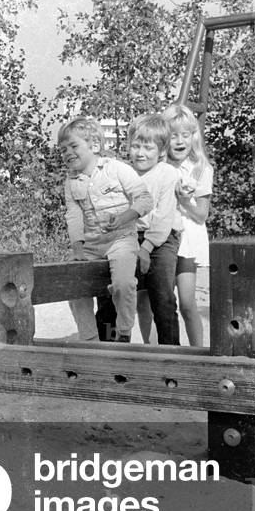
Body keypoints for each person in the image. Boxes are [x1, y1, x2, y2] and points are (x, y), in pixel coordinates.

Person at [59, 116, 153, 343]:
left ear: (95, 146)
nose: (67, 153)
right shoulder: (71, 182)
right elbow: (74, 216)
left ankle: (123, 331)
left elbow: (144, 199)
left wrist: (124, 218)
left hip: (121, 240)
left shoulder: (117, 169)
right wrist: (78, 248)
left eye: (73, 146)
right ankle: (90, 339)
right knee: (74, 287)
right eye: (63, 150)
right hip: (91, 244)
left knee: (123, 284)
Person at [127, 113, 182, 346]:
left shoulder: (167, 174)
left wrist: (146, 248)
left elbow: (163, 217)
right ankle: (114, 349)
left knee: (163, 298)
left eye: (147, 148)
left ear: (161, 151)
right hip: (129, 236)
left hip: (161, 239)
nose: (140, 153)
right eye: (135, 146)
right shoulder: (124, 172)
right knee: (115, 293)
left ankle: (172, 353)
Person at [162, 103, 214, 346]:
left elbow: (202, 214)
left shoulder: (201, 168)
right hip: (162, 236)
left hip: (188, 237)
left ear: (194, 136)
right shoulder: (159, 167)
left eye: (186, 134)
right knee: (160, 302)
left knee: (186, 302)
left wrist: (184, 201)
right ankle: (162, 353)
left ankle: (198, 352)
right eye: (173, 135)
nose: (180, 141)